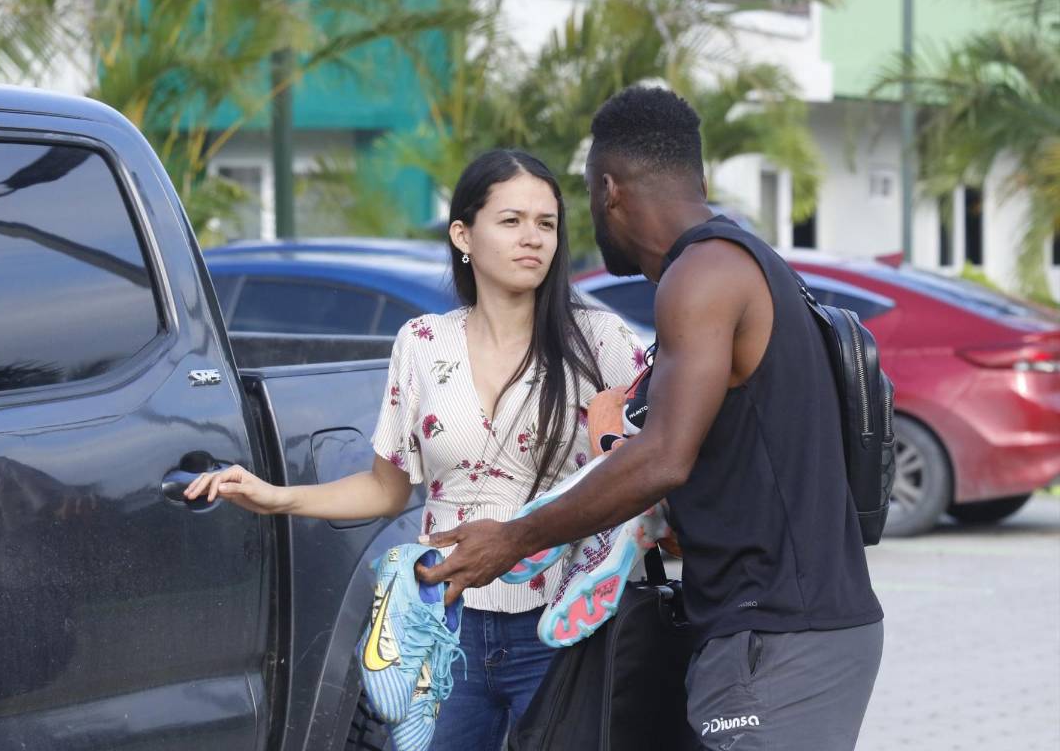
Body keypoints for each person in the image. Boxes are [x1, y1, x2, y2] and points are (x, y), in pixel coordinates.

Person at [416, 87, 885, 751]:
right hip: (776, 629)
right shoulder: (745, 264)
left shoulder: (703, 276)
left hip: (779, 637)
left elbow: (664, 457)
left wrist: (514, 539)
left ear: (609, 190)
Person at [183, 148, 646, 750]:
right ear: (463, 235)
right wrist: (276, 497)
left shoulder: (598, 341)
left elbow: (658, 455)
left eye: (546, 223)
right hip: (440, 625)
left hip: (563, 625)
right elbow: (386, 489)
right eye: (511, 220)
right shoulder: (423, 342)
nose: (532, 237)